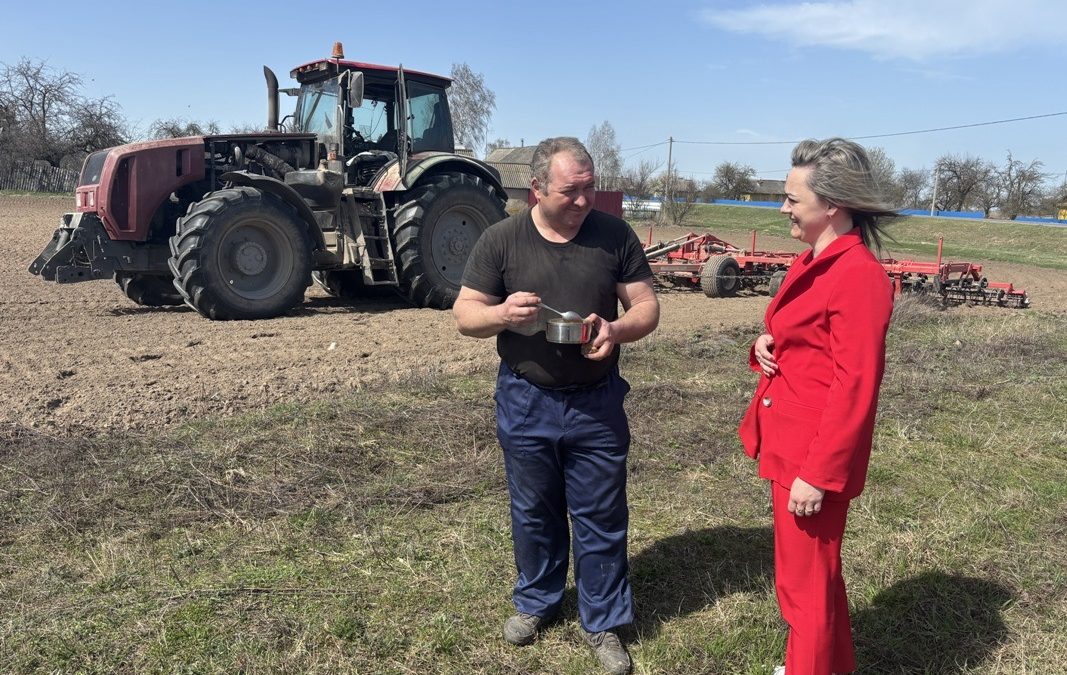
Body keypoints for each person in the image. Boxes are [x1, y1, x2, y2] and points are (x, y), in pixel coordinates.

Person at [453, 137, 659, 675]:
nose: (584, 200)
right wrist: (501, 315)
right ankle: (537, 601)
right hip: (526, 400)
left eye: (590, 188)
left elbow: (647, 306)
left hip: (596, 402)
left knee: (601, 514)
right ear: (537, 188)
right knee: (534, 510)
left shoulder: (614, 235)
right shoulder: (502, 239)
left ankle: (603, 620)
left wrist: (616, 329)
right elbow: (465, 315)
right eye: (571, 190)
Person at [737, 138, 898, 675]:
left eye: (792, 198)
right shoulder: (813, 259)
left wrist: (820, 473)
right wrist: (766, 343)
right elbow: (804, 338)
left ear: (831, 204)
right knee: (811, 579)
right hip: (790, 443)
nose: (782, 208)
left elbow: (857, 385)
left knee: (804, 588)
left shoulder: (857, 275)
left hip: (813, 458)